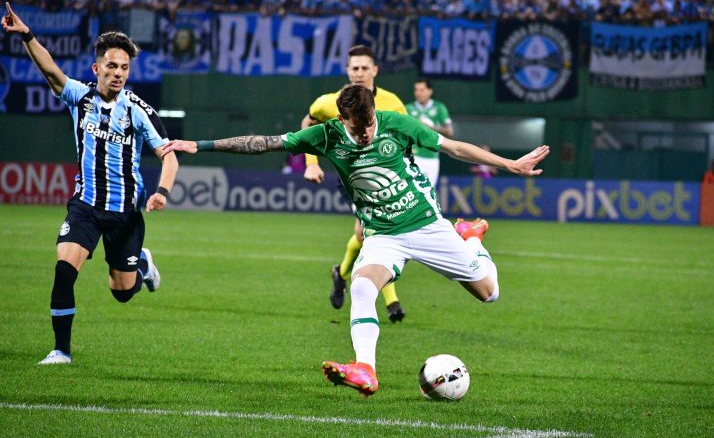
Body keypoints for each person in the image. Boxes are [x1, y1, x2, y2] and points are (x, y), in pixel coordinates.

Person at [162, 84, 549, 397]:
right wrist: (202, 145)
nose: (364, 133)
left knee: (489, 293)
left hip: (427, 225)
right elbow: (266, 142)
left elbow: (454, 148)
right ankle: (366, 369)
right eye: (356, 126)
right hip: (384, 235)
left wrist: (509, 164)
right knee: (361, 286)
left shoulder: (396, 124)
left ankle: (471, 238)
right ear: (342, 118)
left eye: (368, 124)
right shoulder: (327, 135)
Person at [1, 2, 179, 365]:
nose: (118, 74)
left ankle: (140, 265)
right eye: (111, 66)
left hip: (125, 215)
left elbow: (170, 155)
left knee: (122, 292)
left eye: (124, 68)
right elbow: (51, 71)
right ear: (96, 68)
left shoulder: (138, 111)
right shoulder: (80, 98)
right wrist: (27, 37)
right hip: (85, 206)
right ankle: (61, 351)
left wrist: (161, 192)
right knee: (64, 270)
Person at [301, 44, 409, 323]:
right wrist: (311, 164)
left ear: (375, 70)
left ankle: (342, 273)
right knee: (372, 233)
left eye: (364, 68)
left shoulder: (393, 103)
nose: (359, 73)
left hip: (389, 180)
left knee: (367, 235)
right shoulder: (329, 102)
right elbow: (308, 123)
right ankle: (392, 301)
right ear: (348, 71)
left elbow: (405, 141)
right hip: (354, 178)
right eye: (354, 68)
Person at [405, 78, 454, 186]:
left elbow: (449, 132)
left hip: (432, 157)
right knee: (411, 190)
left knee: (429, 191)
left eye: (422, 90)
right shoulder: (407, 109)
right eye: (416, 90)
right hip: (412, 156)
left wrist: (431, 127)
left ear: (430, 91)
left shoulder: (439, 108)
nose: (418, 93)